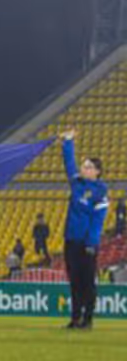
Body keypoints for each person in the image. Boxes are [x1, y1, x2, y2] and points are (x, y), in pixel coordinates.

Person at [60, 129, 109, 330]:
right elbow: (69, 163)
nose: (84, 168)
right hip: (71, 240)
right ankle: (75, 318)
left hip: (86, 243)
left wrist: (91, 243)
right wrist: (68, 142)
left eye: (88, 166)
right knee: (74, 281)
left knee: (87, 282)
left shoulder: (100, 192)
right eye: (84, 165)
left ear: (97, 171)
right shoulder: (77, 184)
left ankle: (87, 319)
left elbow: (97, 221)